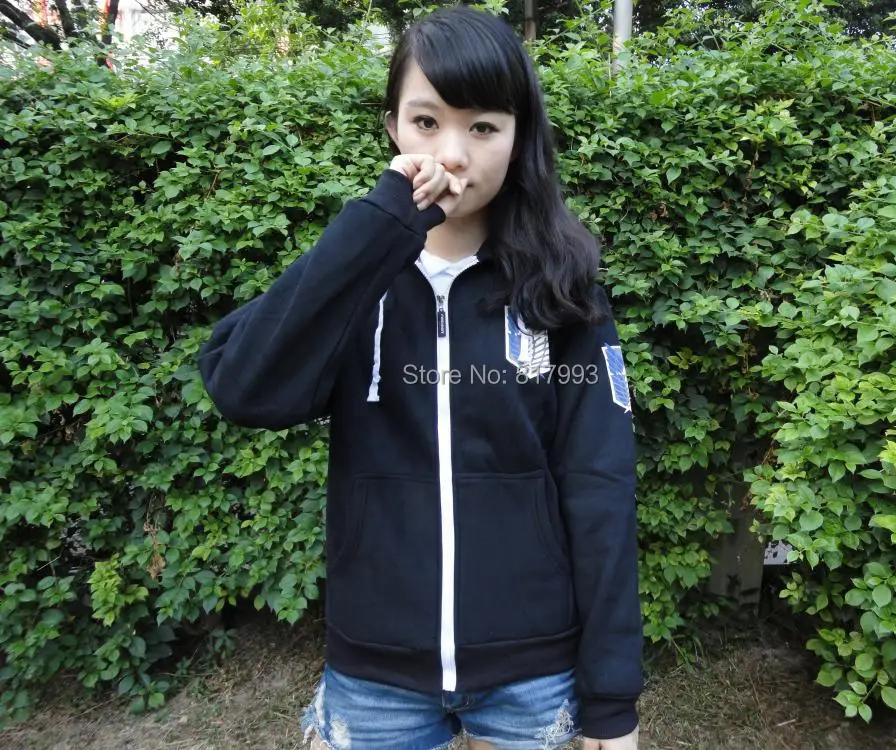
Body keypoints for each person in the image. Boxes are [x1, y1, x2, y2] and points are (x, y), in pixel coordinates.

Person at [197, 5, 643, 749]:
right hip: (375, 674)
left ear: (519, 137)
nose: (454, 154)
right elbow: (243, 388)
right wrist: (379, 222)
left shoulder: (561, 290)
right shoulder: (356, 273)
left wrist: (611, 696)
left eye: (484, 127)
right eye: (427, 122)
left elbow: (600, 485)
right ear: (393, 129)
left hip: (532, 672)